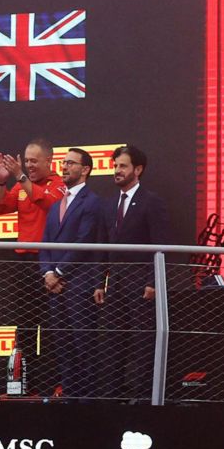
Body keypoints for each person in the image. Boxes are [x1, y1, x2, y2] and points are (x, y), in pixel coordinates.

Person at [0, 140, 64, 394]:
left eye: (34, 161)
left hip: (51, 263)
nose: (29, 165)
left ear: (48, 161)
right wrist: (1, 181)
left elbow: (46, 203)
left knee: (54, 326)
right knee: (26, 325)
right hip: (23, 263)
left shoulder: (59, 184)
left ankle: (57, 385)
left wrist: (20, 176)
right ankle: (23, 386)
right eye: (27, 160)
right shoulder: (20, 186)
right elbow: (0, 207)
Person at [99, 145, 171, 401]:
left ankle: (143, 396)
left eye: (123, 166)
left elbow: (161, 245)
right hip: (115, 282)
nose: (117, 171)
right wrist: (100, 283)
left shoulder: (152, 201)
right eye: (116, 165)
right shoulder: (109, 205)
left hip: (141, 282)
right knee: (112, 341)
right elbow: (104, 247)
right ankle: (113, 395)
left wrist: (153, 282)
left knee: (143, 341)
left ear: (137, 170)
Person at [38, 147, 108, 398]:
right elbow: (44, 242)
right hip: (55, 288)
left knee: (83, 346)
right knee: (62, 345)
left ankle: (87, 400)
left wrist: (57, 271)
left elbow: (84, 241)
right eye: (63, 163)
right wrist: (47, 273)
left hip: (79, 285)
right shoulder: (57, 204)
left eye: (70, 163)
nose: (64, 167)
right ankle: (69, 396)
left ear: (85, 169)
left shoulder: (93, 202)